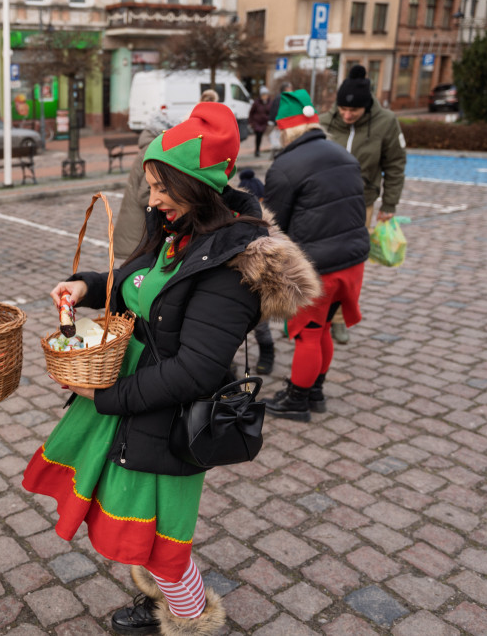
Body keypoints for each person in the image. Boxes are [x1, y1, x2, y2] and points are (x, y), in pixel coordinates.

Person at [23, 103, 319, 635]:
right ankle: (169, 601)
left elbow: (196, 373)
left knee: (163, 538)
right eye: (152, 185)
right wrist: (89, 285)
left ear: (198, 187)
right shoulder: (177, 227)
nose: (152, 198)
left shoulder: (231, 264)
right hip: (134, 404)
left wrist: (106, 397)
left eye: (162, 187)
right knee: (141, 526)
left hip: (164, 414)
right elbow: (136, 282)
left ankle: (190, 618)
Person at [263, 90, 369, 421]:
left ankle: (297, 399)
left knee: (308, 333)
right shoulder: (344, 155)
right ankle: (315, 390)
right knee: (323, 329)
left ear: (285, 128)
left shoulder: (284, 166)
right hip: (352, 264)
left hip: (316, 268)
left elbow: (274, 227)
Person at [320, 64, 406, 343]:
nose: (346, 115)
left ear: (366, 107)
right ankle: (307, 312)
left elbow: (394, 165)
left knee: (350, 264)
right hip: (322, 203)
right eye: (343, 110)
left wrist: (389, 204)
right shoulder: (325, 121)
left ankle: (339, 319)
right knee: (316, 258)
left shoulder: (386, 122)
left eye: (353, 112)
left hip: (361, 204)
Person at [112, 106, 176, 262]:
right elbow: (144, 195)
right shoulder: (153, 151)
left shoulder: (149, 147)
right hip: (138, 233)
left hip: (134, 230)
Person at [236, 167, 276, 375]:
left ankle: (267, 352)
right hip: (237, 285)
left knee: (262, 326)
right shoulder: (233, 225)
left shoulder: (269, 227)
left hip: (259, 285)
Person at [266, 81, 292, 158]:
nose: (291, 90)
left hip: (282, 122)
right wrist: (277, 123)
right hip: (280, 123)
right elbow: (276, 111)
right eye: (290, 88)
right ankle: (276, 155)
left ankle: (279, 154)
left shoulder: (282, 97)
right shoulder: (281, 98)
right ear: (286, 89)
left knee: (280, 140)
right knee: (279, 140)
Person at [248, 86, 272, 157]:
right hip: (257, 122)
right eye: (263, 95)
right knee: (258, 135)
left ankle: (259, 149)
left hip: (264, 122)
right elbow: (251, 112)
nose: (265, 96)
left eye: (266, 95)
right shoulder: (256, 103)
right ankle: (257, 150)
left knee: (261, 135)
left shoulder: (270, 103)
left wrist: (269, 119)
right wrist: (250, 122)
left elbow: (271, 112)